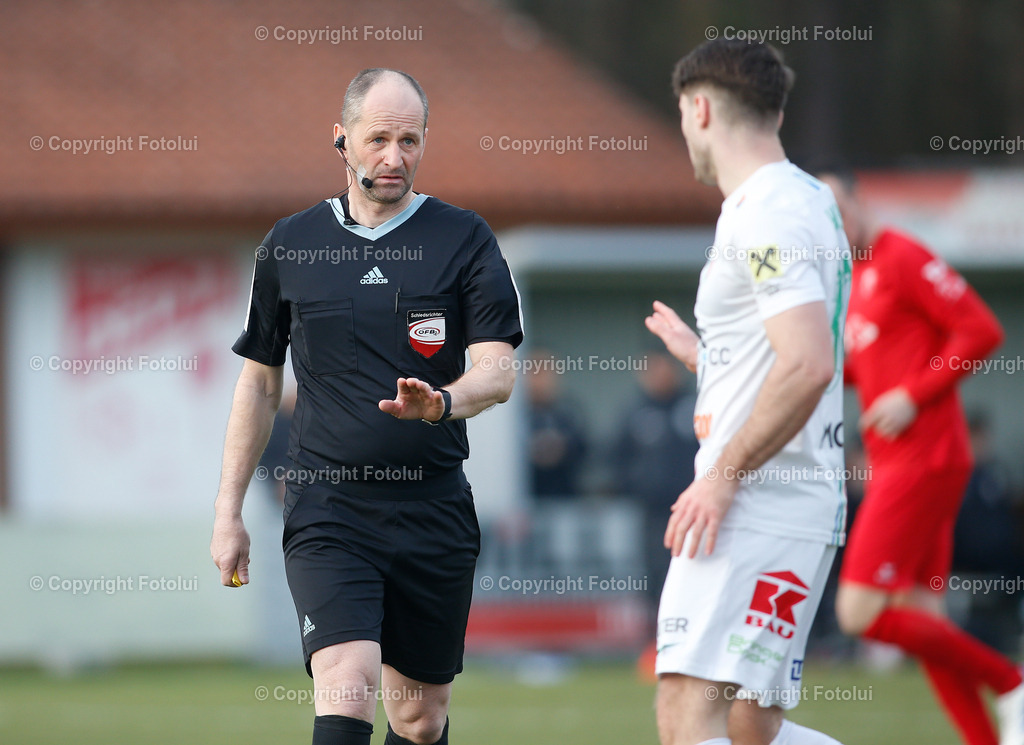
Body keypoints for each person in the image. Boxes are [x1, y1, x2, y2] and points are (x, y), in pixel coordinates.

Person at [209, 68, 523, 745]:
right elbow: (260, 383)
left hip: (434, 508)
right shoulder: (291, 244)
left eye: (409, 140)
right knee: (348, 684)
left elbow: (497, 372)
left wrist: (442, 401)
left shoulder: (464, 238)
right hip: (330, 506)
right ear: (341, 140)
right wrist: (228, 510)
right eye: (377, 138)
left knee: (418, 716)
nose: (393, 156)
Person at [647, 39, 849, 745]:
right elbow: (787, 356)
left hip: (758, 505)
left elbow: (806, 365)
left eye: (679, 113)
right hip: (789, 499)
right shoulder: (806, 200)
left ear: (698, 108)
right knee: (748, 726)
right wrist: (713, 359)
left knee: (685, 714)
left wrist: (723, 478)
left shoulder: (765, 212)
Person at [819, 168, 1023, 745]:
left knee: (859, 612)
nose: (830, 223)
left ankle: (1010, 680)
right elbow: (863, 368)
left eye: (836, 206)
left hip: (923, 460)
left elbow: (980, 329)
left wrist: (914, 394)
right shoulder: (852, 277)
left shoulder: (901, 255)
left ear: (859, 201)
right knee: (925, 623)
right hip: (903, 461)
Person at [614, 351, 698, 620]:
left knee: (695, 568)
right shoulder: (635, 413)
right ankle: (659, 633)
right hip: (653, 511)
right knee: (655, 571)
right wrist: (637, 485)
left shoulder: (695, 406)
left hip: (696, 508)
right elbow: (616, 458)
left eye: (663, 368)